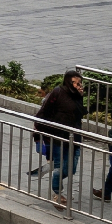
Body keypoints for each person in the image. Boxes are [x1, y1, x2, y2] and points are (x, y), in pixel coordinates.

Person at [34, 71, 85, 211]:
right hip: (59, 137)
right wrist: (40, 135)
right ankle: (57, 193)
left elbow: (79, 113)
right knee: (60, 167)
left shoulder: (77, 95)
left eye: (80, 83)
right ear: (69, 82)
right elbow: (44, 113)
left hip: (75, 136)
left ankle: (53, 177)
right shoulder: (58, 93)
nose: (79, 85)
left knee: (71, 168)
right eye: (76, 83)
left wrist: (80, 95)